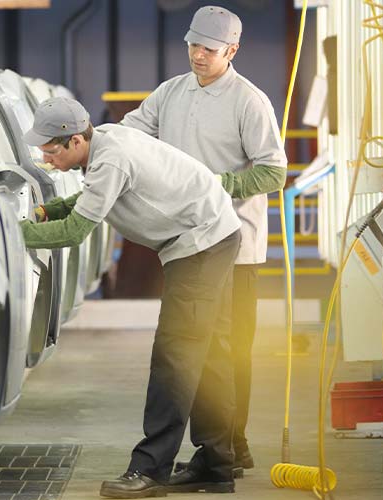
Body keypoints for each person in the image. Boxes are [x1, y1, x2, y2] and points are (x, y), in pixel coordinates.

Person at [19, 97, 240, 498]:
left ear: (73, 141)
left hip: (200, 243)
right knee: (208, 354)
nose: (44, 156)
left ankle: (151, 469)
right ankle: (216, 464)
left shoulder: (111, 159)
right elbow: (93, 198)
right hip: (216, 232)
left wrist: (11, 232)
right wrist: (47, 211)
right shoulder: (105, 142)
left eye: (50, 149)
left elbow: (75, 231)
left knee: (175, 356)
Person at [119, 5, 289, 483]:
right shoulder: (171, 93)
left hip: (237, 246)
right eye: (193, 44)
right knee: (211, 352)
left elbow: (274, 171)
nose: (198, 54)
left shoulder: (248, 101)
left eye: (209, 49)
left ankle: (228, 448)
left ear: (232, 51)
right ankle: (225, 452)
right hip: (188, 243)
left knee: (229, 351)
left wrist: (214, 186)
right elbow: (133, 133)